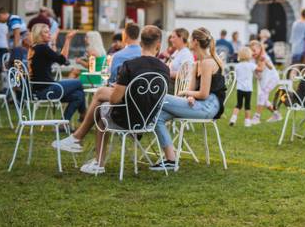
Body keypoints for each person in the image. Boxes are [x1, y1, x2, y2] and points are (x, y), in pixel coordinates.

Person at [52, 26, 170, 174]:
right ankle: (78, 140)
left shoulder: (130, 65)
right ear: (158, 45)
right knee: (103, 102)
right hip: (149, 119)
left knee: (102, 108)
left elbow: (114, 100)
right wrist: (128, 89)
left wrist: (119, 88)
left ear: (140, 43)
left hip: (127, 119)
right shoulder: (165, 68)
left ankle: (94, 158)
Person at [151, 28, 228, 171]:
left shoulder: (207, 63)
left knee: (157, 97)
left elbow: (204, 94)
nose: (189, 42)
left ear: (196, 42)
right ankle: (171, 160)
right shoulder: (197, 63)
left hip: (209, 106)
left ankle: (135, 125)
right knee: (157, 116)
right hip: (201, 104)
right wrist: (191, 95)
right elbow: (194, 91)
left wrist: (187, 92)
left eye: (191, 39)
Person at [27, 24, 85, 124]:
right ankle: (84, 114)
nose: (49, 34)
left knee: (79, 95)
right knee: (79, 82)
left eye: (49, 31)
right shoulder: (42, 48)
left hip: (38, 90)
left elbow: (57, 58)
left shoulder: (34, 48)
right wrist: (68, 39)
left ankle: (63, 124)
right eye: (46, 32)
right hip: (46, 90)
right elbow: (62, 60)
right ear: (38, 35)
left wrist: (54, 42)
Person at [250, 39, 281, 124]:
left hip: (272, 79)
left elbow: (269, 67)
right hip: (263, 81)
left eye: (254, 50)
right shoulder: (253, 59)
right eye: (251, 51)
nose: (253, 52)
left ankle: (256, 117)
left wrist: (265, 62)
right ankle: (277, 115)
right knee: (264, 99)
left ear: (260, 49)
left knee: (262, 95)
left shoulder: (264, 57)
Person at [230, 47, 257, 127]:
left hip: (239, 88)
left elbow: (236, 75)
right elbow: (259, 69)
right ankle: (247, 122)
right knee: (247, 106)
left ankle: (233, 118)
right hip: (248, 89)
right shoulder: (251, 65)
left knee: (238, 104)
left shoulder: (237, 66)